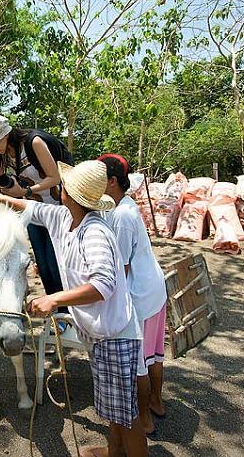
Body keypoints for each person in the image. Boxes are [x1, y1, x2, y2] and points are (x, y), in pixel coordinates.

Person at [0, 160, 147, 457]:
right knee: (113, 410)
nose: (59, 188)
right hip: (98, 332)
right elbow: (32, 209)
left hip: (116, 335)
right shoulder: (64, 218)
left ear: (67, 194)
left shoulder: (94, 232)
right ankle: (113, 453)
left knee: (127, 416)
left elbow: (103, 286)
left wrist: (54, 299)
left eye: (63, 186)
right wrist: (2, 198)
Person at [99, 154, 168, 437]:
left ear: (112, 182)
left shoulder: (123, 216)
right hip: (153, 289)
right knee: (154, 354)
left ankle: (143, 420)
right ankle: (156, 401)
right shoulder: (123, 206)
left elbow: (122, 269)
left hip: (139, 294)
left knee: (138, 364)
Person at [0, 114, 74, 311]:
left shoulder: (34, 143)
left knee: (57, 263)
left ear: (6, 134)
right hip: (33, 211)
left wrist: (25, 192)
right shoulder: (3, 152)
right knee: (43, 265)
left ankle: (67, 311)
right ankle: (55, 311)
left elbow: (55, 177)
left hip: (58, 210)